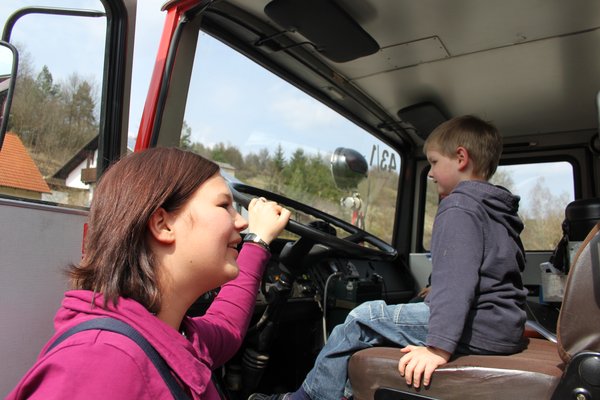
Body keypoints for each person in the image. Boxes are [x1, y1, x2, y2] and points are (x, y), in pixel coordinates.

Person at [250, 115, 528, 400]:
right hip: (502, 325)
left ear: (460, 158)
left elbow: (458, 284)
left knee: (362, 318)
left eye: (433, 162)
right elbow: (492, 269)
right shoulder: (496, 209)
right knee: (396, 315)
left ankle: (307, 397)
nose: (430, 174)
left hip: (479, 325)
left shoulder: (459, 206)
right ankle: (345, 393)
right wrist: (436, 289)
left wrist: (437, 349)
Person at [7, 147, 290, 399]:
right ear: (162, 224)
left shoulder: (171, 334)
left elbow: (226, 324)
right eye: (223, 206)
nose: (241, 221)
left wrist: (258, 242)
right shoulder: (101, 366)